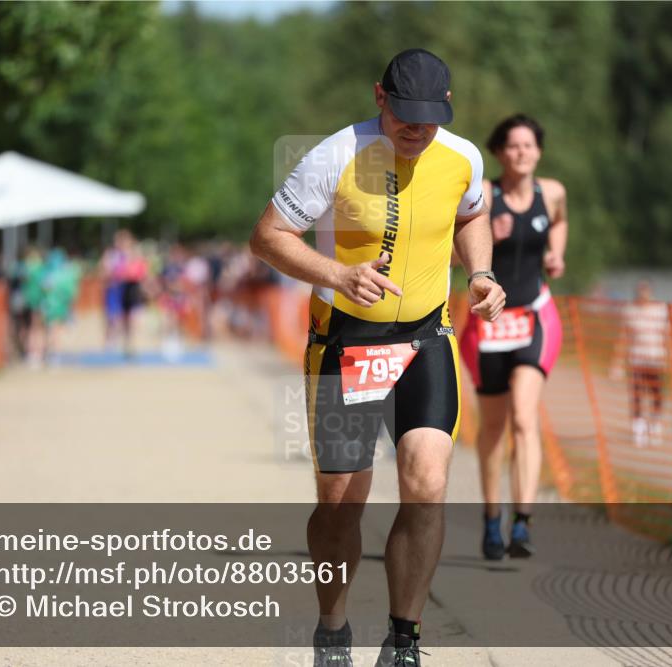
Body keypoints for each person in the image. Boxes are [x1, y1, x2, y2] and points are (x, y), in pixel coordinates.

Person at [250, 49, 505, 667]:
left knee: (428, 483)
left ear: (446, 107)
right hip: (349, 343)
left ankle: (404, 640)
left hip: (425, 339)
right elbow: (267, 237)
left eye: (429, 118)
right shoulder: (335, 155)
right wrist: (337, 274)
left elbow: (472, 215)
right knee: (342, 501)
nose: (416, 130)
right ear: (379, 97)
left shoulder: (463, 157)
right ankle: (333, 629)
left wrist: (481, 272)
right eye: (404, 116)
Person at [458, 114, 567, 561]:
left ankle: (522, 521)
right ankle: (491, 517)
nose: (522, 153)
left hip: (535, 316)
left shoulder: (552, 192)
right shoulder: (484, 195)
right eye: (513, 146)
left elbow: (558, 222)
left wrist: (557, 253)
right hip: (488, 324)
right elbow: (452, 249)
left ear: (538, 151)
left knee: (524, 416)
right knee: (493, 427)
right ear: (500, 153)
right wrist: (491, 235)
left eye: (529, 145)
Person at [612, 280, 670, 448]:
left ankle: (655, 425)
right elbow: (623, 337)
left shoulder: (661, 310)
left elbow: (667, 335)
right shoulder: (630, 311)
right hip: (637, 360)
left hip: (656, 360)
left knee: (657, 394)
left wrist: (670, 358)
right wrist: (617, 362)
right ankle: (639, 428)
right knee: (637, 395)